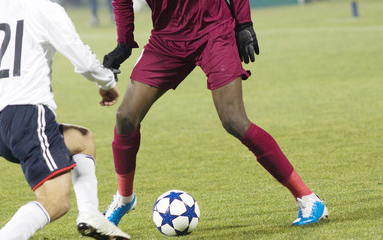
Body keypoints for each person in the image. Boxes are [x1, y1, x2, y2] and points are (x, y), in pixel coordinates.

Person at [101, 0, 329, 228]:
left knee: (234, 120)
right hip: (166, 39)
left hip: (214, 30)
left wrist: (244, 24)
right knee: (126, 117)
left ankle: (308, 198)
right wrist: (124, 42)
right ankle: (124, 199)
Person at [0, 0, 130, 239]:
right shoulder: (46, 9)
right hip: (30, 117)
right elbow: (82, 59)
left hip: (0, 127)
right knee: (55, 202)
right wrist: (107, 83)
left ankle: (90, 214)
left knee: (82, 139)